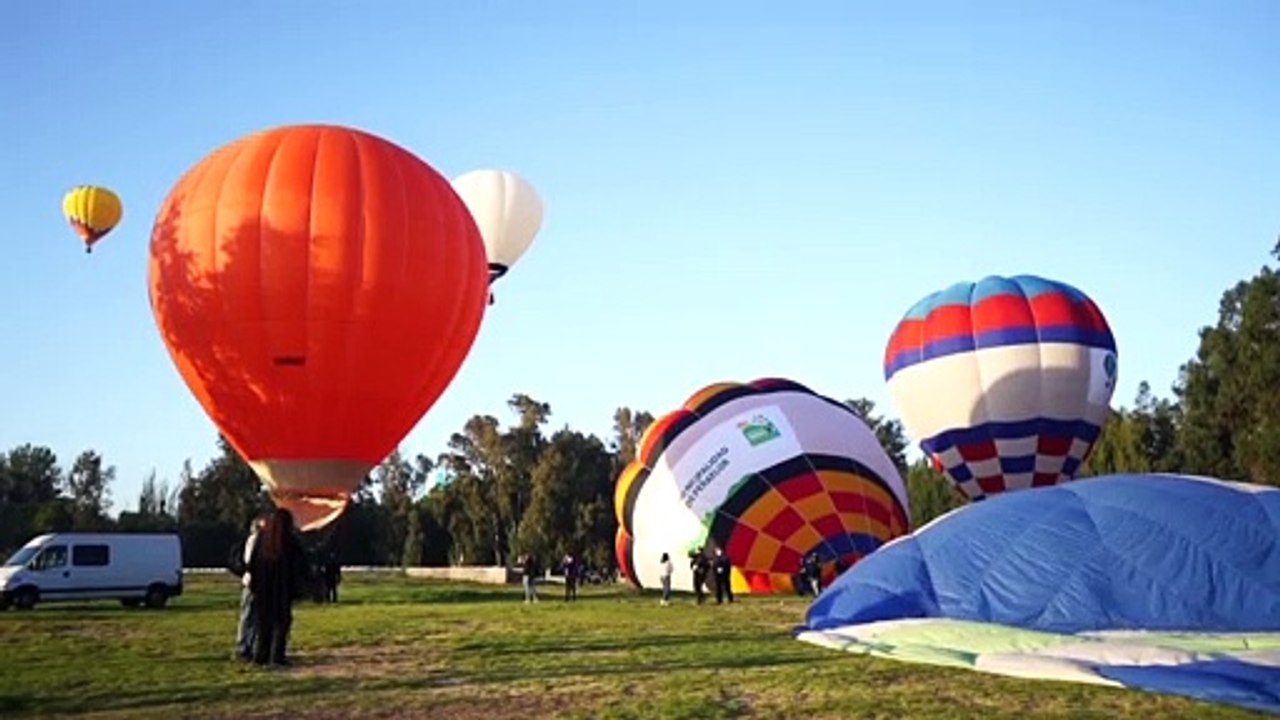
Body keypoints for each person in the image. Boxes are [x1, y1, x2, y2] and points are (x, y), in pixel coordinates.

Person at [249, 507, 307, 667]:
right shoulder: (289, 542)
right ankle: (277, 656)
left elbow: (252, 564)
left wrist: (254, 584)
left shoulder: (262, 541)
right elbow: (301, 564)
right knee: (281, 623)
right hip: (282, 590)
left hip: (263, 589)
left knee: (263, 623)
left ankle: (261, 655)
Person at [233, 515, 265, 661]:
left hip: (253, 582)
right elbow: (250, 562)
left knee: (252, 616)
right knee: (248, 615)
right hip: (253, 583)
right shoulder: (255, 540)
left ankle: (249, 645)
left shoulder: (257, 540)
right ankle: (244, 646)